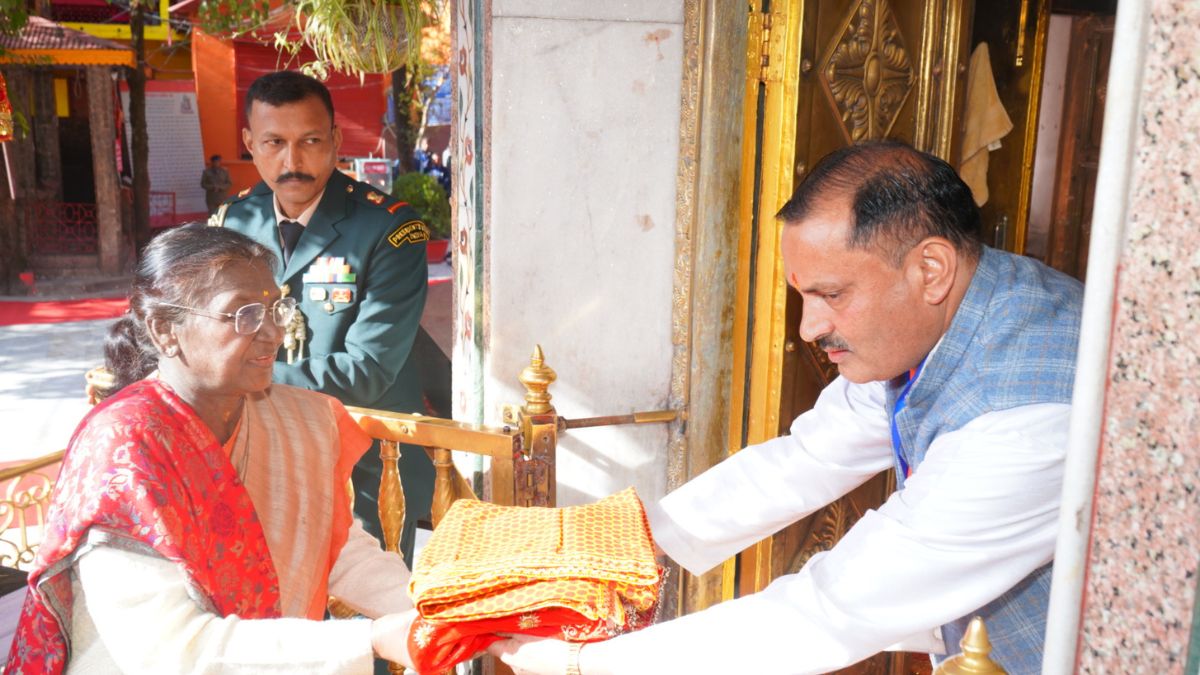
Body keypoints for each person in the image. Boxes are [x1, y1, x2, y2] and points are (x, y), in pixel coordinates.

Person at [488, 141, 1083, 675]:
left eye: (832, 295)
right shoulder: (946, 317)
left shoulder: (1028, 420)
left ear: (930, 269)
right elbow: (805, 457)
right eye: (803, 295)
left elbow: (834, 610)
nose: (809, 328)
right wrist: (619, 543)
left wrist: (581, 664)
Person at [4, 225, 418, 673]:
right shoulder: (124, 451)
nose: (272, 334)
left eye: (276, 309)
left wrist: (437, 613)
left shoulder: (300, 420)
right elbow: (170, 650)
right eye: (243, 315)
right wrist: (372, 638)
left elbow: (338, 549)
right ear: (164, 330)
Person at [210, 70, 435, 565]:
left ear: (334, 140)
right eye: (274, 142)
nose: (292, 161)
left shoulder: (391, 229)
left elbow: (367, 369)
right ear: (250, 143)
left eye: (310, 140)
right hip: (267, 456)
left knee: (378, 614)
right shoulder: (233, 224)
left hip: (371, 467)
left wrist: (234, 379)